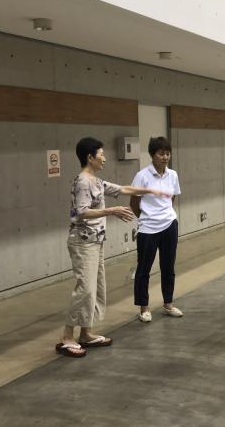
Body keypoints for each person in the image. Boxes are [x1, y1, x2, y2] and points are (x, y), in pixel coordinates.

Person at [57, 137, 171, 358]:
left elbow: (123, 188)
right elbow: (82, 212)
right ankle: (67, 337)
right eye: (101, 155)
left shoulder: (97, 181)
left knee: (96, 287)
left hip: (95, 241)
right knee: (85, 289)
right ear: (90, 157)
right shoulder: (83, 182)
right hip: (83, 242)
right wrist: (111, 211)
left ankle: (85, 334)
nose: (104, 159)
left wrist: (150, 191)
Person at [130, 137, 183, 322]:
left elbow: (171, 198)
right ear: (152, 155)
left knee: (168, 266)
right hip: (148, 228)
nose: (165, 157)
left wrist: (164, 213)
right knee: (143, 269)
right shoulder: (142, 176)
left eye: (167, 153)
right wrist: (147, 217)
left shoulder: (173, 175)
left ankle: (168, 304)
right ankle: (144, 308)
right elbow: (134, 202)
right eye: (161, 153)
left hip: (169, 224)